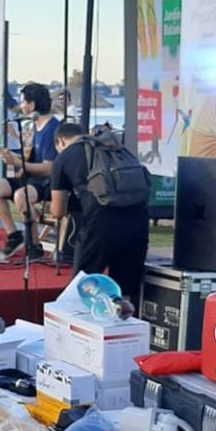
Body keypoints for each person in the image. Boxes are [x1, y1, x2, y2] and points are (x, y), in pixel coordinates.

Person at [48, 122, 150, 299]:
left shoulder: (64, 157)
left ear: (60, 142)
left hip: (101, 226)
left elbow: (57, 211)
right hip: (138, 222)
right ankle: (124, 324)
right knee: (125, 293)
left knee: (82, 289)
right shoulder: (114, 148)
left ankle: (86, 324)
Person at [0, 82, 61, 258]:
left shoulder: (53, 129)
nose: (20, 106)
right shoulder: (34, 126)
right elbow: (30, 157)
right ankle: (14, 236)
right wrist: (15, 160)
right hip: (31, 177)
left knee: (22, 195)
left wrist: (19, 163)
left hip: (48, 181)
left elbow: (49, 168)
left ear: (32, 105)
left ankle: (34, 245)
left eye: (23, 102)